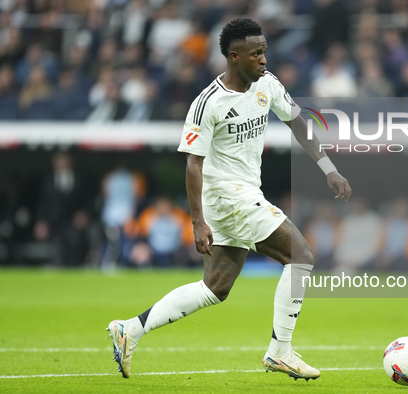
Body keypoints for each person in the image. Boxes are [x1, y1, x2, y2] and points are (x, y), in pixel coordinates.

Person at [107, 18, 351, 381]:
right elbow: (193, 164)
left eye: (265, 51)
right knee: (301, 255)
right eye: (257, 54)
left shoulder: (267, 84)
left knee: (215, 287)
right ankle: (279, 351)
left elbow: (298, 122)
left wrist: (328, 167)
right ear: (234, 57)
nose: (265, 60)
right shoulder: (208, 103)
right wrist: (196, 221)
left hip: (245, 193)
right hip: (227, 198)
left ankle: (131, 329)